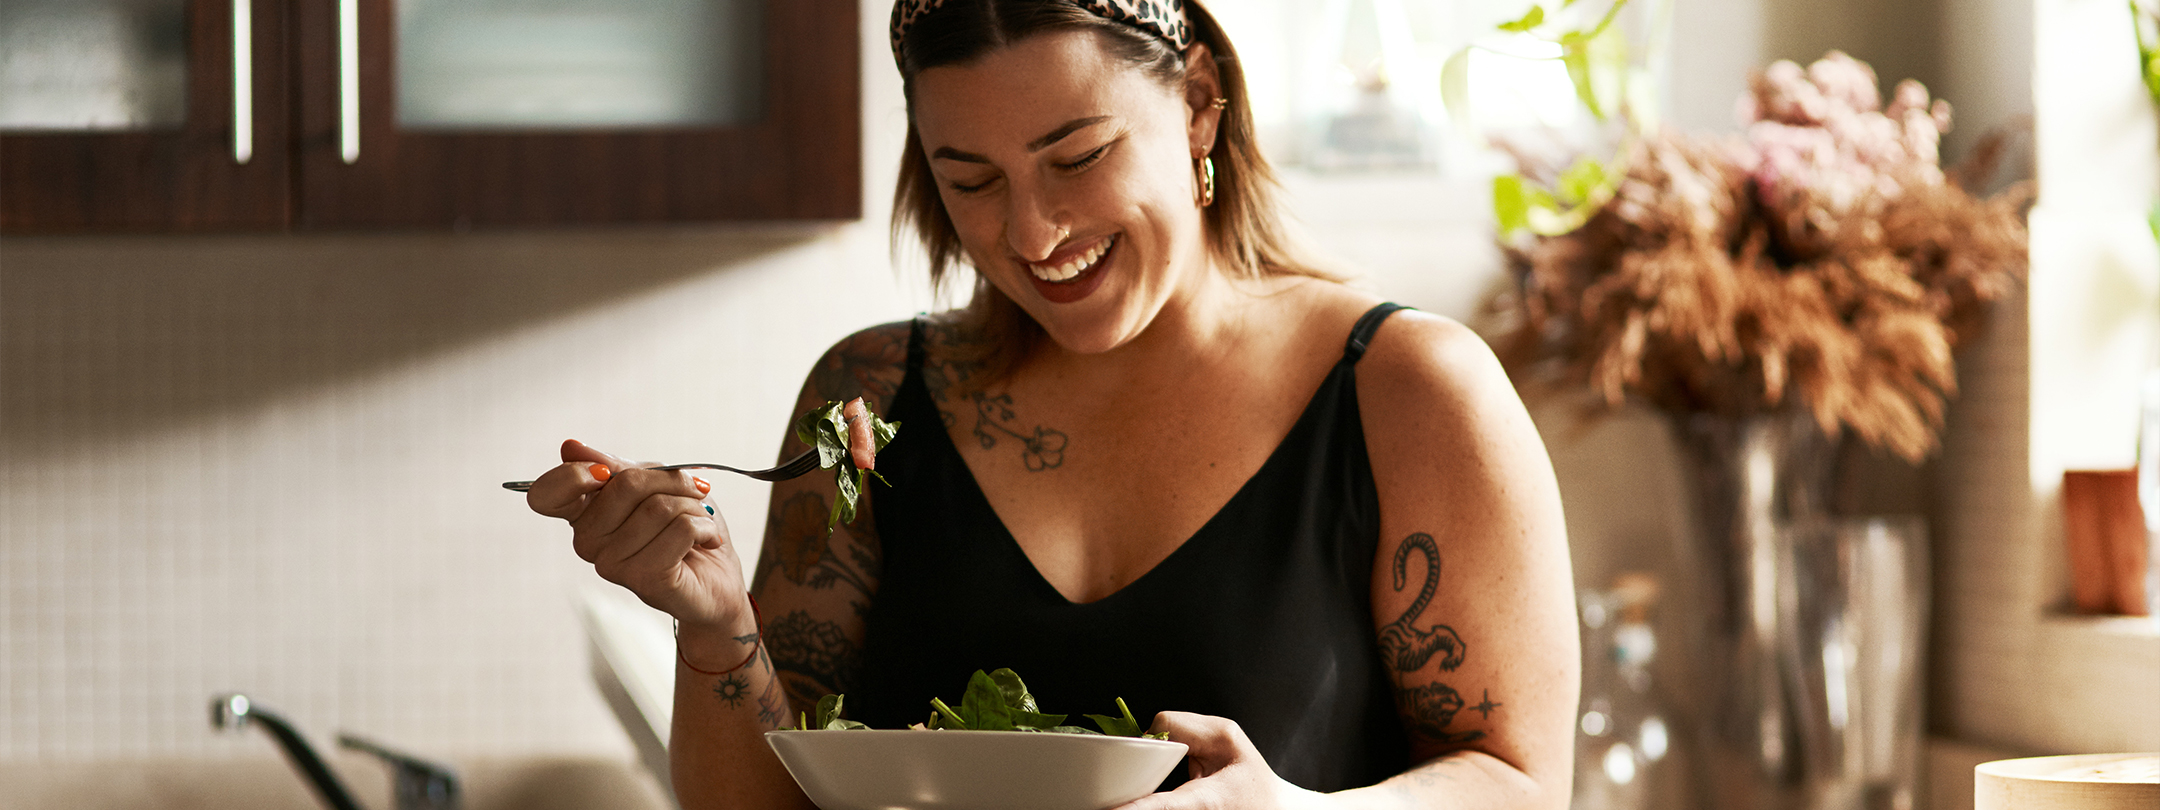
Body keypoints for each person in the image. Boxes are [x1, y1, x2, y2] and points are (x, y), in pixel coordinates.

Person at [523, 1, 1579, 807]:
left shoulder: (1409, 393)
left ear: (1199, 103)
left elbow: (1520, 782)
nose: (1031, 235)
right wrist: (717, 631)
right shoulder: (868, 399)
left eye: (1078, 157)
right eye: (970, 180)